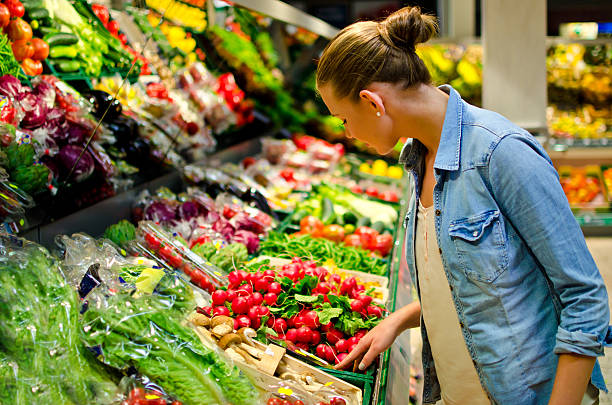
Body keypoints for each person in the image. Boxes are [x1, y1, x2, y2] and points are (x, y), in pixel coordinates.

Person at [315, 6, 610, 405]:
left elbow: (584, 298)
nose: (347, 134)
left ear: (372, 102)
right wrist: (400, 320)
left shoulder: (500, 153)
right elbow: (473, 278)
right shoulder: (419, 160)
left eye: (342, 119)